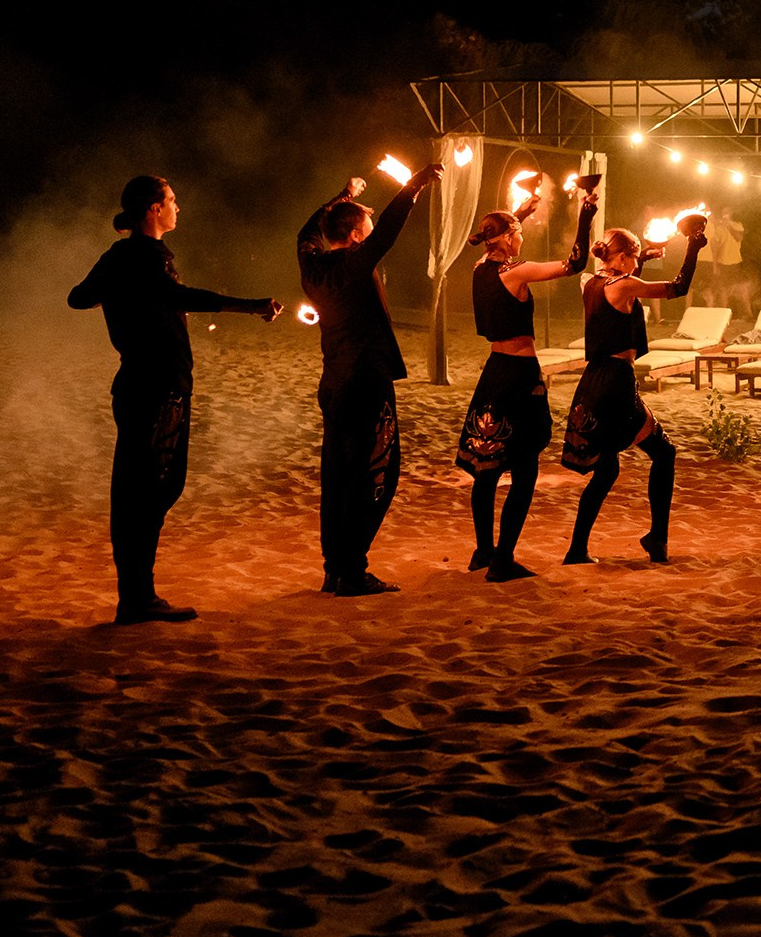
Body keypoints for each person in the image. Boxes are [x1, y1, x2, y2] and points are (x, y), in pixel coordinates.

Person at [69, 176, 282, 625]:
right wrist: (251, 306)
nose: (178, 208)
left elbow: (81, 298)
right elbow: (181, 296)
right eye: (171, 200)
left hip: (136, 384)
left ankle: (136, 596)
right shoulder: (147, 256)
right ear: (153, 209)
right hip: (158, 386)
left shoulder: (118, 256)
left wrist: (119, 295)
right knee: (150, 491)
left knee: (140, 490)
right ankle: (138, 598)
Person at [299, 162, 441, 596]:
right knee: (379, 471)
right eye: (367, 225)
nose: (372, 230)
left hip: (334, 384)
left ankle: (335, 568)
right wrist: (414, 186)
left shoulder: (313, 265)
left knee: (338, 475)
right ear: (356, 237)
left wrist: (342, 197)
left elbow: (306, 231)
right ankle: (352, 568)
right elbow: (388, 233)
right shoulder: (352, 264)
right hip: (366, 383)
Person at [454, 184, 598, 582]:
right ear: (504, 239)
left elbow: (497, 235)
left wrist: (523, 211)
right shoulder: (517, 272)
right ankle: (503, 560)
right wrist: (585, 215)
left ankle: (483, 552)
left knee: (486, 468)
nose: (522, 238)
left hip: (493, 373)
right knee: (525, 470)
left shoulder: (479, 268)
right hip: (519, 377)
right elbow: (575, 263)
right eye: (517, 233)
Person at [561, 215, 705, 564]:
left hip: (592, 381)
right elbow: (678, 287)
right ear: (623, 257)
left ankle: (577, 550)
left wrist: (644, 258)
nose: (637, 262)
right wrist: (693, 246)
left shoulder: (588, 281)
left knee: (607, 470)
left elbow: (615, 280)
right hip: (616, 383)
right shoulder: (625, 286)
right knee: (664, 453)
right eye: (635, 256)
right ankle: (658, 539)